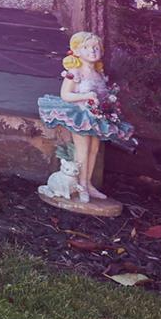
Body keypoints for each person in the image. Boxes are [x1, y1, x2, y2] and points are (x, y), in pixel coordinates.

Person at [37, 30, 136, 205]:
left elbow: (103, 94)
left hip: (97, 117)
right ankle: (80, 185)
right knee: (82, 150)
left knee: (94, 150)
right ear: (77, 51)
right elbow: (66, 95)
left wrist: (109, 101)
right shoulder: (75, 72)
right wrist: (86, 96)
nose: (93, 51)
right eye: (87, 48)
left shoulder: (98, 73)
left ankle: (88, 184)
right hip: (81, 116)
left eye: (96, 48)